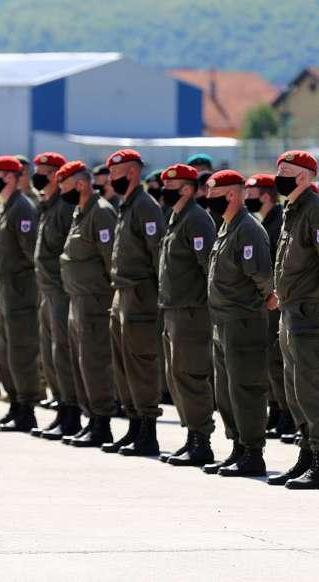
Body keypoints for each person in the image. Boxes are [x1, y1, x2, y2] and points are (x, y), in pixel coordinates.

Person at [268, 150, 319, 490]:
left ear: (303, 176)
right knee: (294, 385)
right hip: (291, 307)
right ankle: (305, 452)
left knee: (311, 385)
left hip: (310, 309)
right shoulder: (294, 209)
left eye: (285, 171)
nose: (279, 177)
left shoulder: (316, 210)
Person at [203, 169, 273, 477]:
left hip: (243, 320)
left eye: (214, 195)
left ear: (232, 195)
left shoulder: (248, 229)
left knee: (246, 387)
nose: (208, 201)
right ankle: (238, 447)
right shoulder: (227, 227)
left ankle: (253, 451)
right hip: (223, 320)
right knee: (227, 389)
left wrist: (260, 301)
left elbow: (261, 276)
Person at [103, 149, 167, 457]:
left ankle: (147, 431)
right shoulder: (124, 206)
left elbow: (158, 256)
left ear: (131, 173)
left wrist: (158, 298)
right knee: (124, 364)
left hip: (141, 296)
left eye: (115, 173)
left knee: (141, 363)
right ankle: (133, 424)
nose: (111, 179)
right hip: (121, 294)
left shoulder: (145, 207)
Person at [157, 164, 217, 466]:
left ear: (187, 189)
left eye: (173, 185)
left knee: (191, 375)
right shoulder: (177, 218)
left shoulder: (196, 220)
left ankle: (201, 440)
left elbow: (209, 267)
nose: (165, 189)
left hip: (192, 311)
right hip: (173, 308)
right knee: (176, 375)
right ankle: (192, 433)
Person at [57, 160, 118, 447]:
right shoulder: (79, 212)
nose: (61, 192)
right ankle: (91, 417)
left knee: (94, 362)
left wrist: (107, 296)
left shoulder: (101, 213)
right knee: (81, 362)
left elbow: (110, 261)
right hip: (77, 299)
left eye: (65, 186)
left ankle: (102, 422)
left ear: (81, 184)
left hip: (95, 300)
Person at [0, 156, 41, 432]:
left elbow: (32, 254)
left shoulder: (22, 208)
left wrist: (23, 283)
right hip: (3, 289)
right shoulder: (4, 207)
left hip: (20, 291)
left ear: (9, 177)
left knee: (21, 352)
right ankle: (14, 404)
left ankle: (26, 408)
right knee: (3, 352)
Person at [32, 152, 81, 440]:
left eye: (46, 172)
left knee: (63, 353)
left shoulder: (64, 208)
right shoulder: (47, 207)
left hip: (62, 291)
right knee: (51, 354)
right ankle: (62, 408)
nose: (41, 177)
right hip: (47, 290)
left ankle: (72, 412)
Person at [246, 174, 294, 440]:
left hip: (279, 300)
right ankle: (276, 409)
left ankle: (287, 413)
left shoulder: (280, 220)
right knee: (269, 360)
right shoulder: (263, 221)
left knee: (278, 360)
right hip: (267, 301)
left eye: (251, 195)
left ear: (265, 196)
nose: (247, 200)